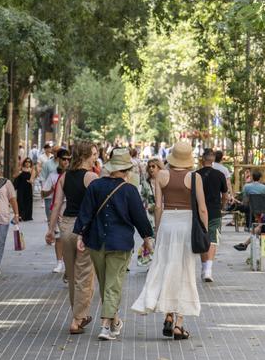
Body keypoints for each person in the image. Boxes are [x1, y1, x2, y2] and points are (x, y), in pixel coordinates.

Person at [74, 148, 155, 341]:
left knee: (106, 284)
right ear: (126, 169)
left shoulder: (95, 186)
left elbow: (85, 211)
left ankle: (115, 321)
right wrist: (147, 238)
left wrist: (79, 236)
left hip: (96, 241)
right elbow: (140, 217)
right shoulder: (129, 190)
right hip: (120, 243)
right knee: (113, 285)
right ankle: (104, 326)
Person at [131, 139, 207, 340]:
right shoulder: (194, 177)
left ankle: (167, 315)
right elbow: (202, 208)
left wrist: (158, 229)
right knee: (184, 270)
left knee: (165, 267)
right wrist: (205, 231)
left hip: (167, 223)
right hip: (187, 223)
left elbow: (158, 206)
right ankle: (179, 324)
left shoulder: (162, 175)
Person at [47, 142, 99, 334]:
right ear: (85, 155)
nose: (95, 158)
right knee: (85, 275)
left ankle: (79, 314)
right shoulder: (92, 177)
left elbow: (57, 204)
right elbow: (97, 207)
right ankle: (78, 318)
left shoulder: (64, 177)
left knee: (72, 274)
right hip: (84, 228)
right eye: (93, 154)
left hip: (67, 226)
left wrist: (51, 230)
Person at [196, 150, 230, 283]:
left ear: (202, 159)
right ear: (214, 159)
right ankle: (208, 270)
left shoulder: (195, 175)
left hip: (199, 211)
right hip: (215, 211)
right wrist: (222, 206)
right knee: (213, 239)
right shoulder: (220, 174)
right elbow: (225, 195)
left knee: (202, 238)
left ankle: (204, 268)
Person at [45, 149, 70, 274]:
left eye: (68, 159)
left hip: (70, 210)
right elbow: (44, 193)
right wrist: (51, 190)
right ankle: (59, 262)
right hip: (57, 209)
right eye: (64, 159)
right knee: (59, 237)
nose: (66, 161)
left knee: (69, 238)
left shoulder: (72, 174)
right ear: (58, 159)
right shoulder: (53, 175)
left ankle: (68, 264)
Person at [14, 158, 37, 222]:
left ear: (30, 163)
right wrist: (19, 173)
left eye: (29, 162)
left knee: (27, 201)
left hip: (28, 187)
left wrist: (31, 180)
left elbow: (32, 179)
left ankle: (27, 216)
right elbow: (14, 176)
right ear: (24, 162)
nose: (27, 163)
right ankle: (20, 215)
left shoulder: (32, 170)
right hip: (20, 187)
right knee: (20, 201)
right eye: (26, 162)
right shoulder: (20, 168)